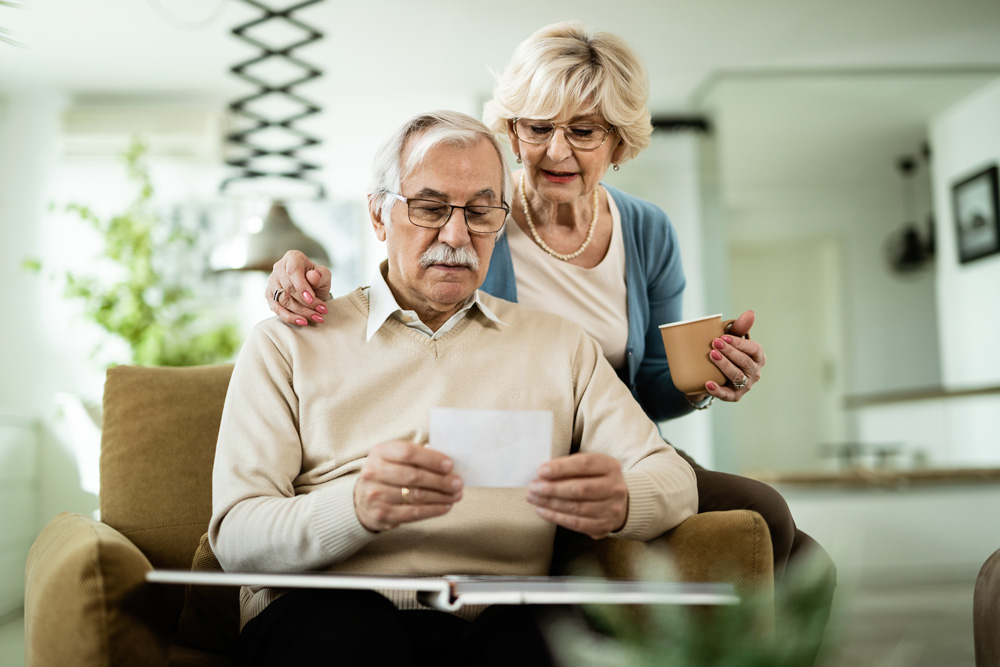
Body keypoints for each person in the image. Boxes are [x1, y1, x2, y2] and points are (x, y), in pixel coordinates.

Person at [262, 21, 833, 586]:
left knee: (797, 549)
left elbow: (651, 387)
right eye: (537, 128)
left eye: (584, 131)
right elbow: (408, 289)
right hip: (513, 452)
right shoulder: (479, 213)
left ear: (618, 141)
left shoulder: (647, 230)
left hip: (609, 445)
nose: (556, 151)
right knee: (771, 525)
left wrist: (705, 379)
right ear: (512, 132)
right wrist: (297, 276)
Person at [210, 110, 699, 667]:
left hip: (499, 620)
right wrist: (355, 507)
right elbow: (237, 535)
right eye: (430, 207)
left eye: (480, 211)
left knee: (551, 639)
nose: (456, 234)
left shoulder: (560, 346)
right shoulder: (287, 344)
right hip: (329, 612)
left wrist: (623, 501)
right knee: (349, 633)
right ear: (378, 214)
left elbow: (674, 482)